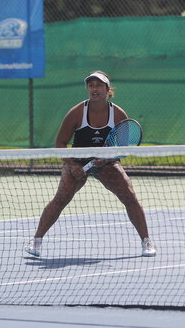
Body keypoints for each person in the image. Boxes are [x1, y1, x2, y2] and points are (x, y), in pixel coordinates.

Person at [25, 70, 157, 257]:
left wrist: (106, 159)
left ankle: (146, 241)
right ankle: (36, 240)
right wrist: (72, 165)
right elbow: (60, 143)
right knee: (61, 198)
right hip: (78, 161)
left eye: (99, 85)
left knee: (129, 195)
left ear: (107, 89)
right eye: (91, 85)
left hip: (106, 163)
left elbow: (122, 147)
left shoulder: (118, 114)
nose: (94, 89)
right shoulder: (77, 112)